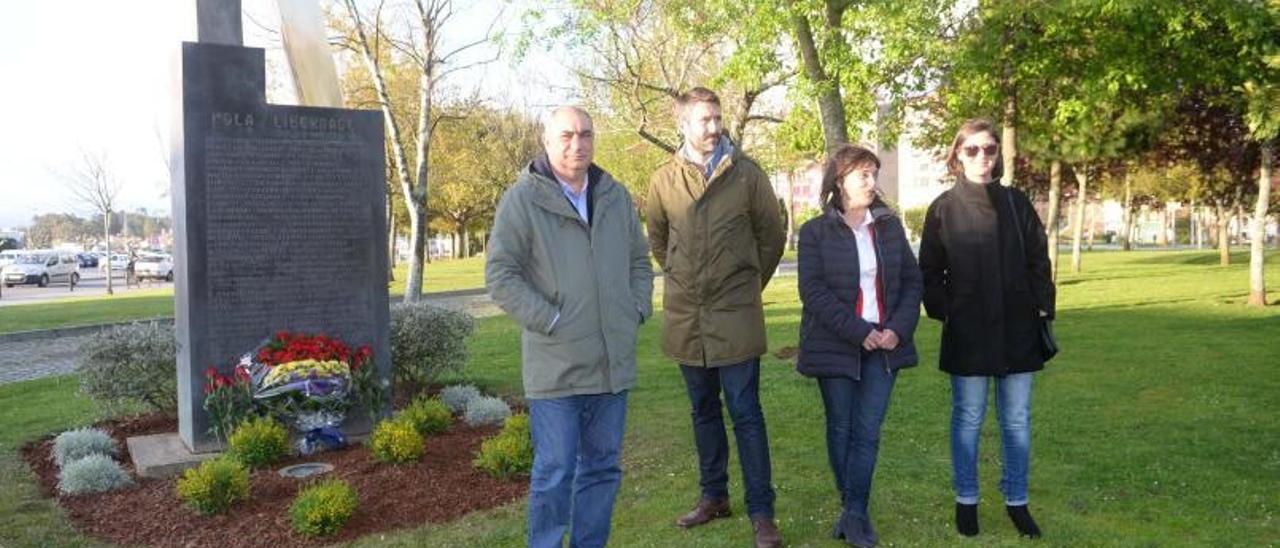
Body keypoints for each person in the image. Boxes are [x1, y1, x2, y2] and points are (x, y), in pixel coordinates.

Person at [486, 106, 654, 548]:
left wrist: (637, 307)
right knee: (555, 470)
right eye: (566, 135)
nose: (576, 144)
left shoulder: (614, 195)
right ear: (546, 139)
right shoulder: (522, 199)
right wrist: (551, 319)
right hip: (556, 365)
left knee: (602, 469)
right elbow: (501, 275)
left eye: (585, 134)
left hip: (610, 364)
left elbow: (640, 259)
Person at [645, 87, 786, 548]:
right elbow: (660, 242)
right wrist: (687, 281)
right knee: (703, 410)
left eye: (717, 118)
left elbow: (772, 236)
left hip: (736, 315)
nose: (714, 127)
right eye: (704, 120)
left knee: (746, 413)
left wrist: (746, 286)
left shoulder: (747, 175)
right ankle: (714, 497)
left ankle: (762, 512)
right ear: (682, 124)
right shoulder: (663, 180)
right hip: (687, 318)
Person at [918, 118, 1056, 539]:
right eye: (973, 149)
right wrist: (950, 313)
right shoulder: (943, 208)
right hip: (969, 333)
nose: (982, 157)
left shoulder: (1017, 203)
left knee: (1016, 420)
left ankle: (1017, 500)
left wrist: (1041, 311)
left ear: (999, 154)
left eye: (990, 149)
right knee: (968, 418)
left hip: (1018, 331)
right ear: (958, 154)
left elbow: (1039, 263)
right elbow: (929, 271)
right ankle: (967, 500)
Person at [795, 144, 922, 547]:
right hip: (837, 343)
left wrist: (896, 330)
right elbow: (812, 291)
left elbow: (911, 283)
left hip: (884, 344)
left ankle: (853, 515)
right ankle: (857, 514)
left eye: (874, 173)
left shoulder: (889, 226)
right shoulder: (815, 232)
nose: (871, 182)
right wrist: (857, 330)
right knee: (841, 428)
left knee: (866, 431)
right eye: (863, 174)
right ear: (840, 180)